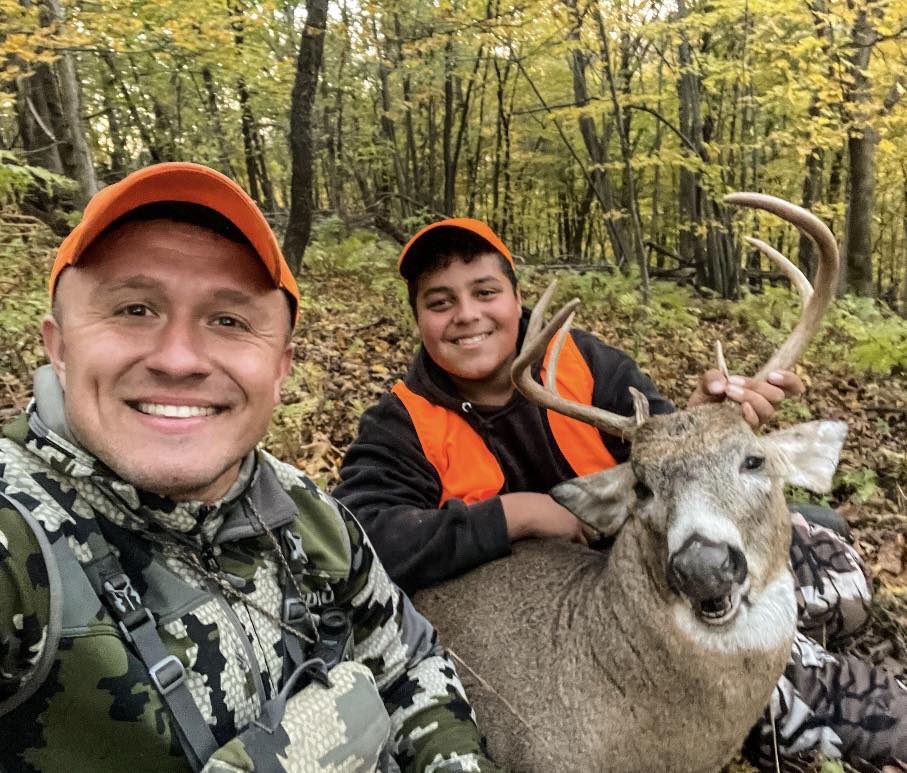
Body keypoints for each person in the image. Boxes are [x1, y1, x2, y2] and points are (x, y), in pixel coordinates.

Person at [333, 218, 907, 767]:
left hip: (652, 553)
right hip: (584, 620)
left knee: (841, 574)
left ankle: (776, 631)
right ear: (418, 318)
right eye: (440, 302)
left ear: (516, 298)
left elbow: (668, 446)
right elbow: (355, 541)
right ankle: (775, 676)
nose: (467, 315)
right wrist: (517, 514)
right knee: (844, 707)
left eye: (485, 292)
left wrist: (705, 420)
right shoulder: (400, 423)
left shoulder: (582, 362)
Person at [0, 165, 502, 773]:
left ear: (280, 368)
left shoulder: (307, 515)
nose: (179, 359)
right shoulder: (18, 543)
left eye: (228, 321)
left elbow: (406, 664)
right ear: (58, 347)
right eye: (134, 309)